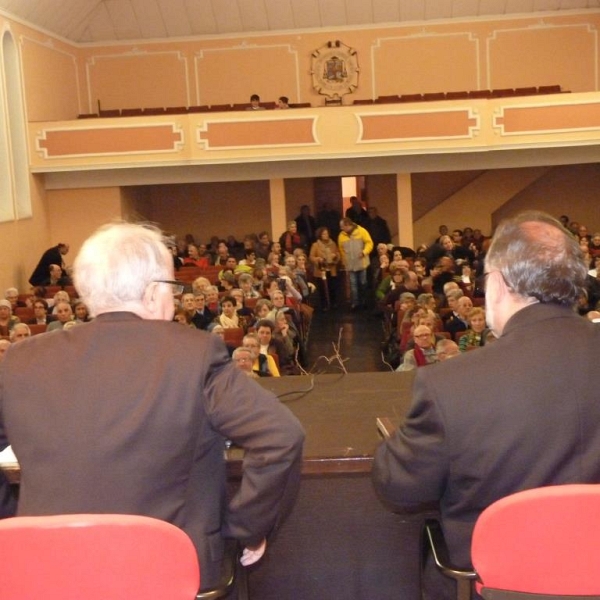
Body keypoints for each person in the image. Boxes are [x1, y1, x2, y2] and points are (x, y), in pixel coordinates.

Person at [0, 222, 304, 590]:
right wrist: (246, 527)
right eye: (172, 288)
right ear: (151, 294)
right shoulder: (193, 353)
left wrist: (13, 522)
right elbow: (280, 436)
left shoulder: (20, 360)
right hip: (168, 572)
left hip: (47, 570)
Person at [372, 211, 600, 600]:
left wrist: (406, 438)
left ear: (500, 281)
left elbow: (398, 486)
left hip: (494, 587)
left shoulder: (450, 384)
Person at [338, 217, 373, 310]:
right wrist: (344, 261)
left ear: (347, 225)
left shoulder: (361, 231)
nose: (341, 228)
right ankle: (355, 303)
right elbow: (341, 250)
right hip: (350, 264)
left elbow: (369, 243)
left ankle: (364, 301)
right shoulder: (341, 236)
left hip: (362, 263)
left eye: (342, 226)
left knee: (363, 283)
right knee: (353, 285)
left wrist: (364, 252)